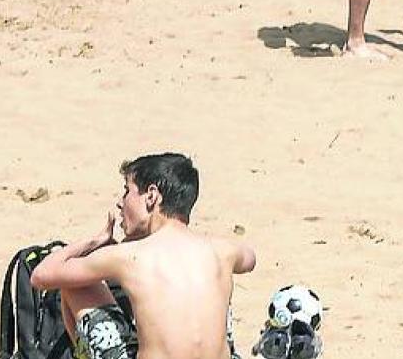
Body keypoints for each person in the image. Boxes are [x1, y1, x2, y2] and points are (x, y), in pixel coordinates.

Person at [29, 154, 255, 359]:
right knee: (216, 287)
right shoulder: (222, 251)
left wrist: (95, 241)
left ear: (151, 196)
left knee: (76, 284)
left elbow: (41, 276)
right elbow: (250, 259)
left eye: (127, 191)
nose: (121, 202)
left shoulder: (129, 256)